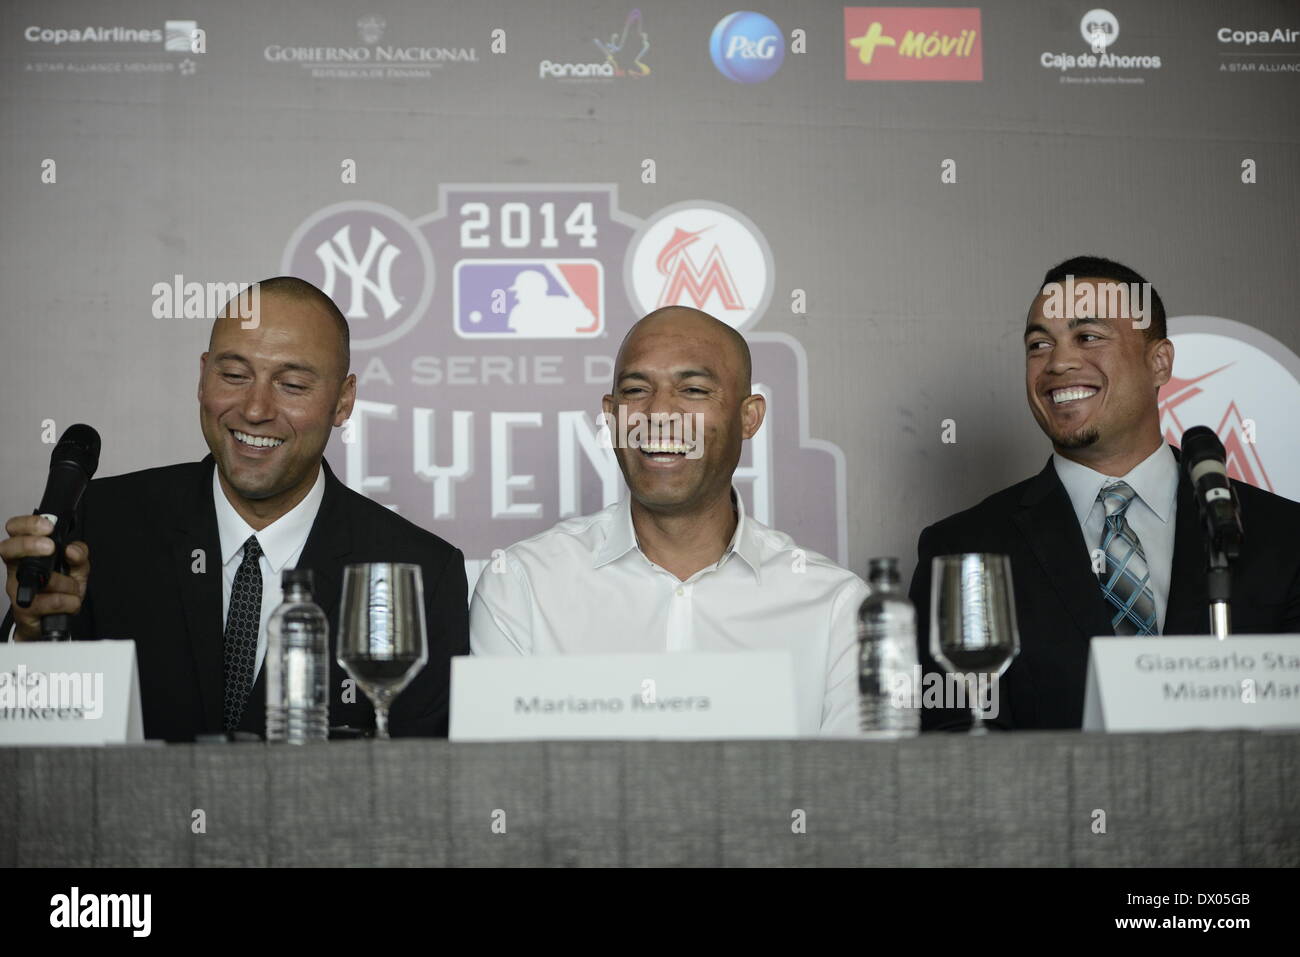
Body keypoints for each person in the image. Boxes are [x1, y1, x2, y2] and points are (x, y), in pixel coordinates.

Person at [1, 277, 469, 741]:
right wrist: (31, 641)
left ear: (343, 400)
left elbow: (423, 790)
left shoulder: (422, 573)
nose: (256, 409)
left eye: (292, 384)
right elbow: (28, 753)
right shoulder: (100, 525)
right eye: (234, 376)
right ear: (203, 377)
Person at [908, 256, 1300, 730]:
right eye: (1038, 344)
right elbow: (953, 750)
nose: (1058, 362)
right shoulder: (963, 550)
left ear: (1160, 362)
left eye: (1088, 336)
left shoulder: (1283, 537)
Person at [470, 306, 867, 736]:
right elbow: (501, 788)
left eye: (694, 390)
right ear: (611, 415)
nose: (659, 412)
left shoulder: (838, 609)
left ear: (748, 417)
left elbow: (854, 793)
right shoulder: (523, 585)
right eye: (636, 390)